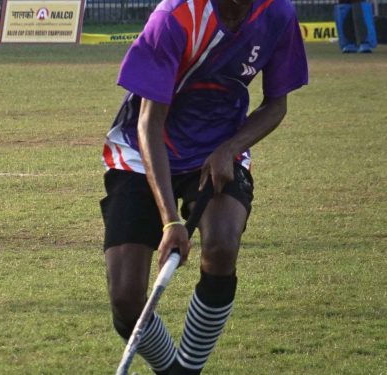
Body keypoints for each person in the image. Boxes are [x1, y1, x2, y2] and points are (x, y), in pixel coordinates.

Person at [99, 0, 308, 373]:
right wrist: (170, 221)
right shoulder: (174, 17)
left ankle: (188, 370)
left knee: (222, 244)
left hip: (218, 148)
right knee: (126, 299)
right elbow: (149, 123)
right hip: (141, 150)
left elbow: (277, 106)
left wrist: (230, 148)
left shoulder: (278, 13)